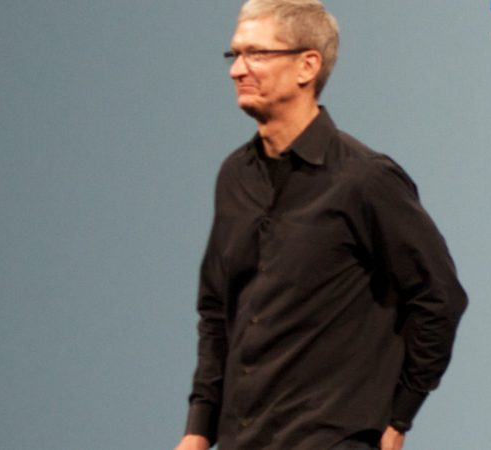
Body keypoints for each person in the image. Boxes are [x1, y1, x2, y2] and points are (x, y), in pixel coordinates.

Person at [174, 1, 468, 449]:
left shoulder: (364, 179)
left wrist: (399, 416)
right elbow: (217, 310)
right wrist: (198, 428)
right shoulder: (234, 176)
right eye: (235, 54)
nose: (237, 70)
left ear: (307, 65)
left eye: (257, 54)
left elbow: (439, 296)